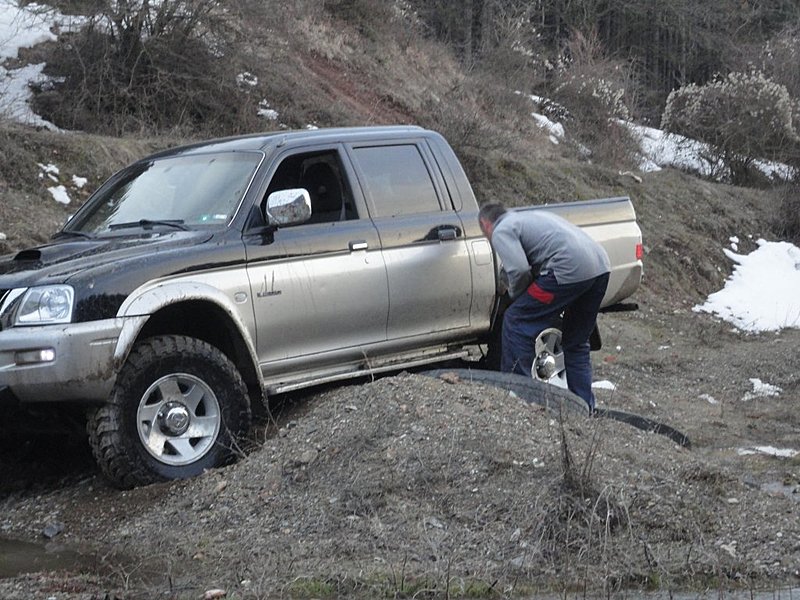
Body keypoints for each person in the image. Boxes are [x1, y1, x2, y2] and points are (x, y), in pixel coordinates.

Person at [478, 202, 610, 410]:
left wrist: (517, 298)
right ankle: (584, 406)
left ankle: (519, 395)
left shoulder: (501, 230)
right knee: (576, 342)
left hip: (567, 269)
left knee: (516, 319)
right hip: (601, 267)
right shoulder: (529, 218)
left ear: (486, 224)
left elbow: (519, 271)